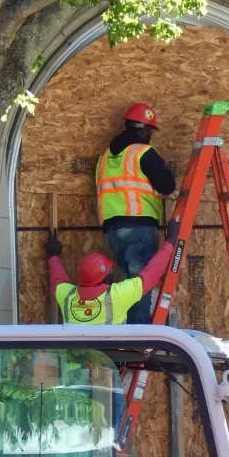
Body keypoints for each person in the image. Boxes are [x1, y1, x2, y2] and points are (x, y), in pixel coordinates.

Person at [95, 102, 177, 324]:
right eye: (149, 131)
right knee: (141, 285)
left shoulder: (105, 157)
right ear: (143, 130)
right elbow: (167, 186)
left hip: (113, 231)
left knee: (129, 286)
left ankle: (128, 333)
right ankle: (138, 338)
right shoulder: (143, 153)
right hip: (139, 228)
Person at [44, 217, 180, 324]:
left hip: (77, 359)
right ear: (105, 278)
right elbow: (151, 272)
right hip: (109, 360)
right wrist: (170, 240)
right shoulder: (116, 295)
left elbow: (58, 280)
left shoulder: (68, 296)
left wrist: (53, 255)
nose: (112, 272)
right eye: (109, 271)